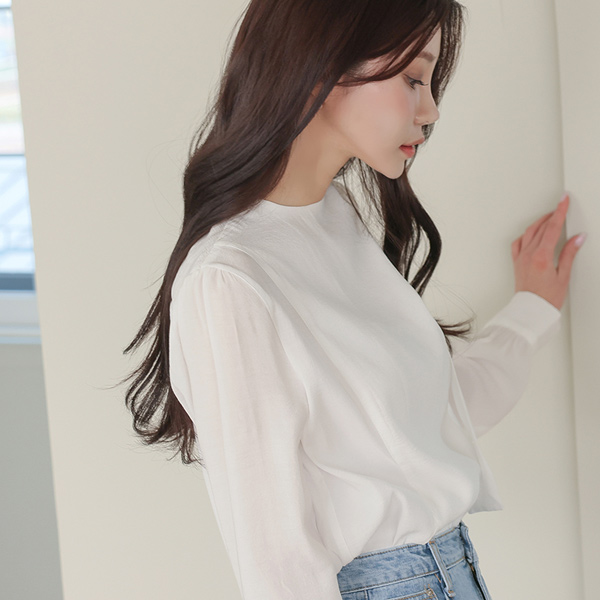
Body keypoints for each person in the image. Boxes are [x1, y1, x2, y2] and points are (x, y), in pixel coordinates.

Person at [118, 0, 586, 598]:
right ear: (323, 65)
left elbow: (432, 417)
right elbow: (274, 555)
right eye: (414, 78)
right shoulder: (230, 277)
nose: (431, 110)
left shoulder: (333, 221)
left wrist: (531, 312)